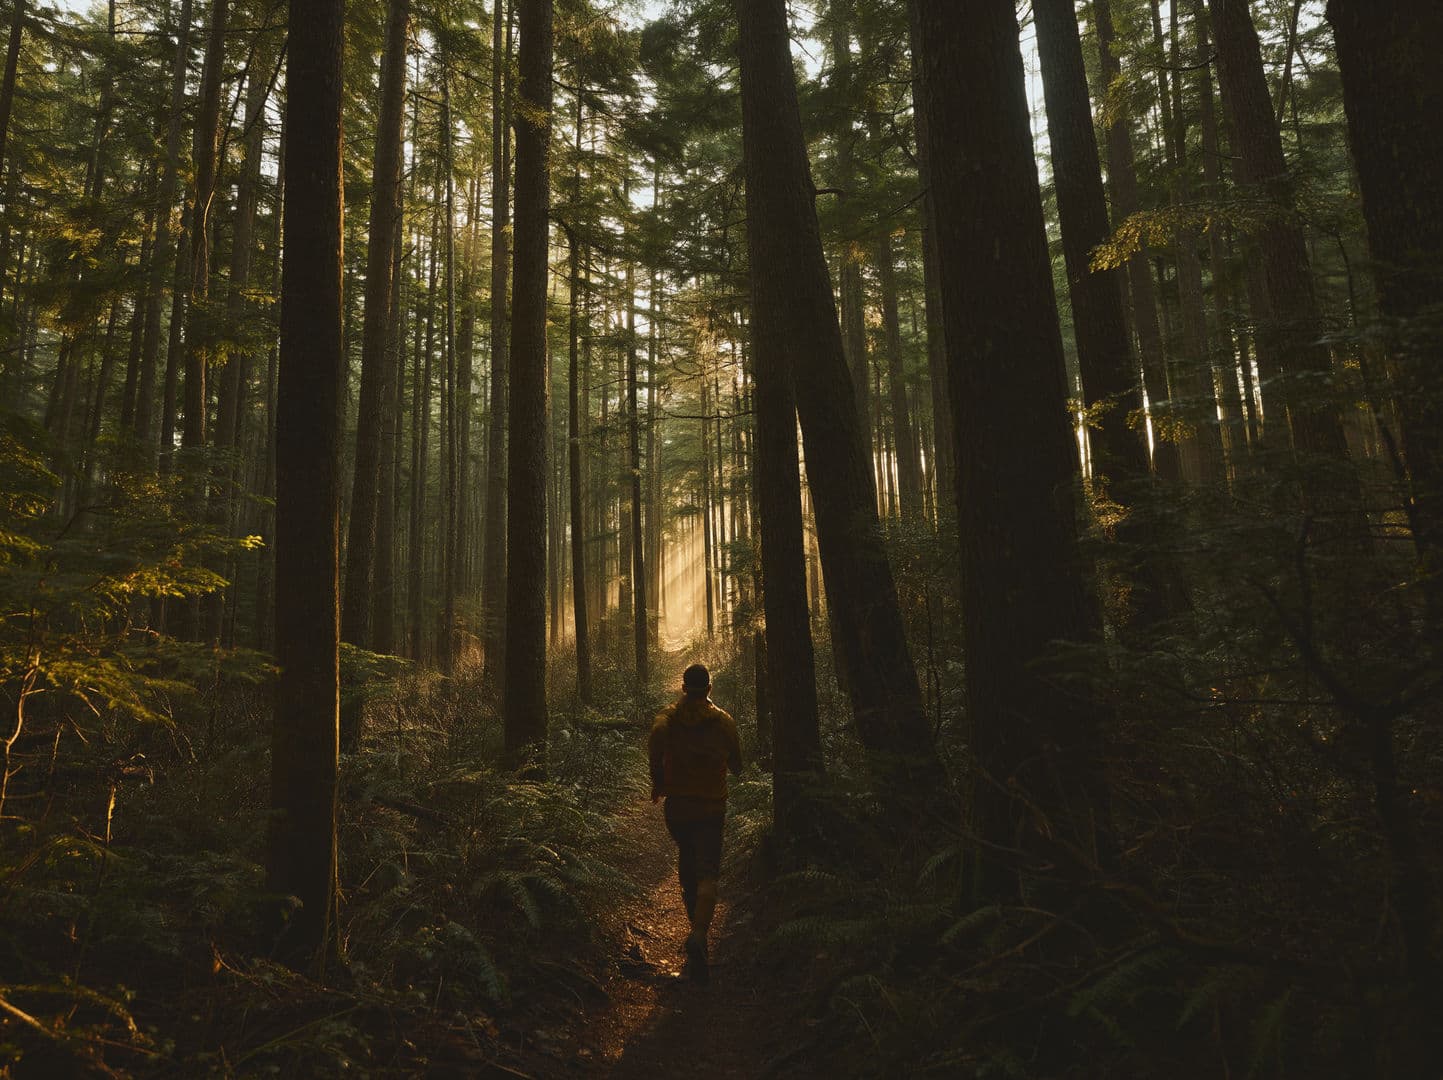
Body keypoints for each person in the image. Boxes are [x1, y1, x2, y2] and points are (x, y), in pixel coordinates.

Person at [648, 663, 743, 983]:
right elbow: (739, 766)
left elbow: (656, 734)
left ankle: (694, 929)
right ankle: (700, 934)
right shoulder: (723, 721)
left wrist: (657, 777)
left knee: (688, 865)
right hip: (711, 808)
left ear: (684, 688)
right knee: (708, 872)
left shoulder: (670, 717)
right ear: (709, 689)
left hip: (678, 808)